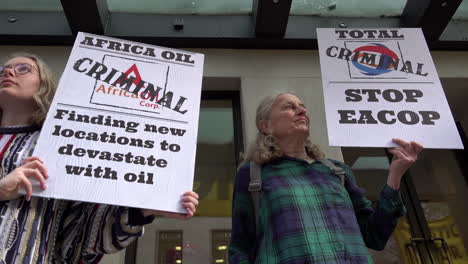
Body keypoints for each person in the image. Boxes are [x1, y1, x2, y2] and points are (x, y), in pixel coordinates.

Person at [0, 53, 199, 263]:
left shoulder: (63, 146)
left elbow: (80, 239)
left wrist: (144, 207)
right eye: (2, 70)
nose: (9, 72)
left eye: (24, 68)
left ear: (45, 86)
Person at [228, 92, 423, 264]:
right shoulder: (253, 174)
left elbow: (375, 236)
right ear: (266, 126)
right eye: (289, 107)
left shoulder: (337, 171)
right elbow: (240, 248)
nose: (302, 111)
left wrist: (395, 175)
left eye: (303, 107)